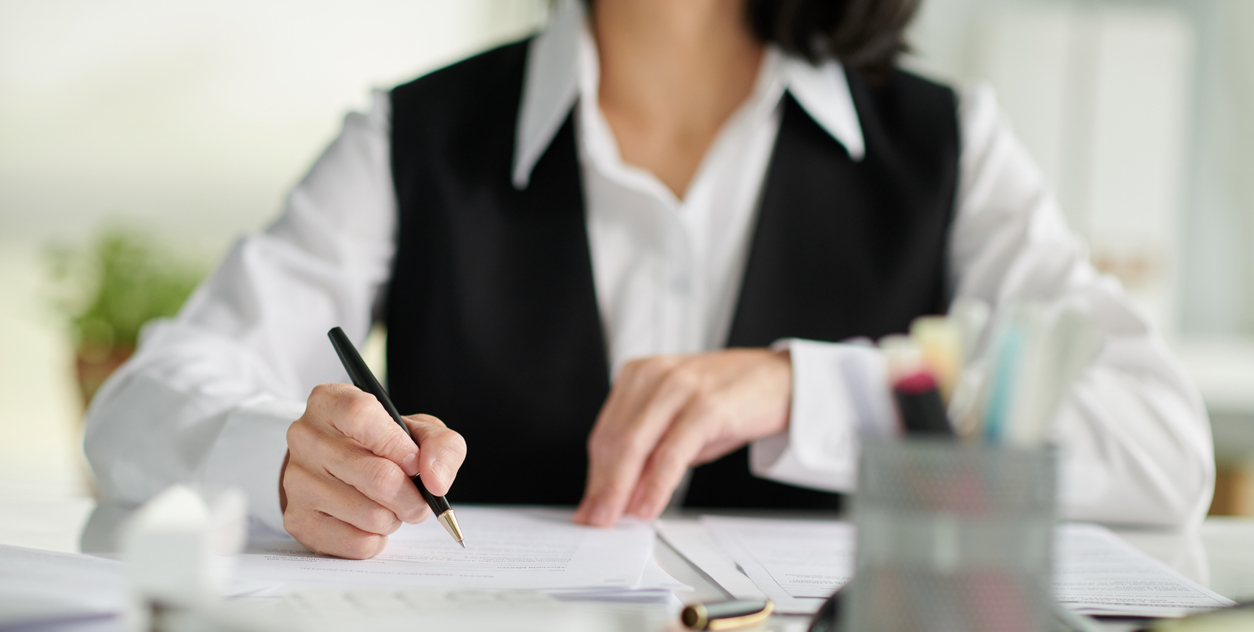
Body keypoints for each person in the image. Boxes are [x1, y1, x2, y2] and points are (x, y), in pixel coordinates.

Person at [85, 0, 1214, 560]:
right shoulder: (416, 134)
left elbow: (1162, 442)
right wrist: (285, 461)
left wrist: (802, 390)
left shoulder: (948, 142)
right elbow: (139, 405)